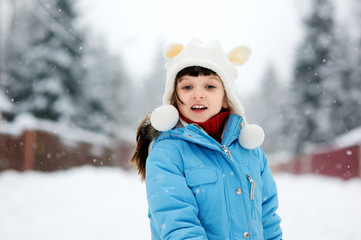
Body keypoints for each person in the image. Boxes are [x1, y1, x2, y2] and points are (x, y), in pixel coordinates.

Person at [131, 39, 282, 240]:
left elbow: (268, 219)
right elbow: (178, 226)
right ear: (174, 97)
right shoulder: (167, 153)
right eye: (187, 87)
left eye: (210, 86)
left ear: (226, 96)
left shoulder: (251, 152)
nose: (198, 94)